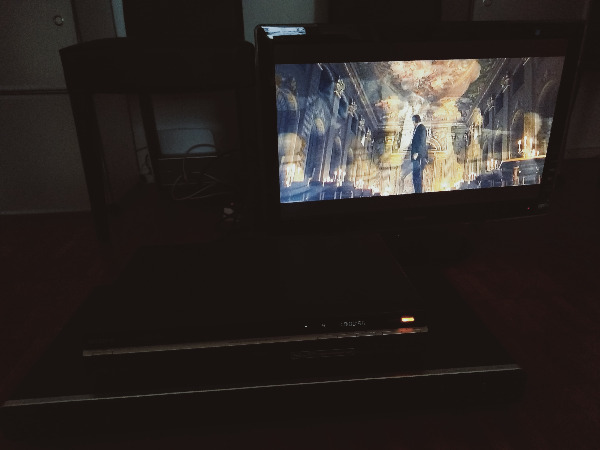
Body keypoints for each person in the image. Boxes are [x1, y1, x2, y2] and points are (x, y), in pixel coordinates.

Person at [410, 114, 428, 193]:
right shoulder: (418, 128)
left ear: (415, 121)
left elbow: (422, 141)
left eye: (413, 121)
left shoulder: (421, 128)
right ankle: (416, 191)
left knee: (417, 175)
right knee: (415, 175)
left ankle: (418, 191)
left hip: (418, 155)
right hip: (416, 156)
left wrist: (417, 152)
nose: (413, 123)